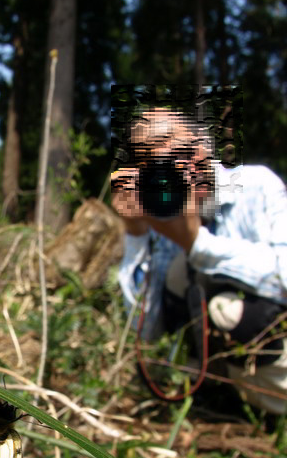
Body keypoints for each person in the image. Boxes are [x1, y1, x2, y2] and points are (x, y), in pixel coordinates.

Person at [112, 107, 287, 414]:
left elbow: (282, 278)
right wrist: (136, 232)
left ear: (203, 146)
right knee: (178, 274)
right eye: (148, 159)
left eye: (171, 142)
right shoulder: (161, 215)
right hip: (207, 387)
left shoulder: (258, 186)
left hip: (272, 356)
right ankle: (215, 399)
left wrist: (196, 244)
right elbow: (145, 332)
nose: (166, 159)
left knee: (227, 310)